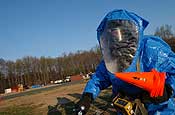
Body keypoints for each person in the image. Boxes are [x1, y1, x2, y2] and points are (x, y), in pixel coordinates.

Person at [75, 9, 175, 115]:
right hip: (126, 108)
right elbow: (98, 79)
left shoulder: (152, 49)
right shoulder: (111, 58)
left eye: (117, 32)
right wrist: (87, 96)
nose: (115, 38)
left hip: (157, 108)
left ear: (129, 31)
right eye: (111, 34)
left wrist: (169, 90)